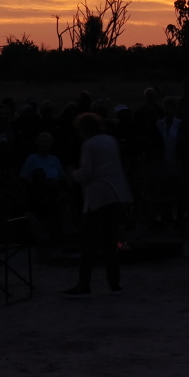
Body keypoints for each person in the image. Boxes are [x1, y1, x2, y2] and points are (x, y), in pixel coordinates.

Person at [66, 111, 132, 296]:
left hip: (97, 197)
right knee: (110, 241)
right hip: (115, 194)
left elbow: (87, 172)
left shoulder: (89, 144)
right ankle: (114, 283)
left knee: (87, 242)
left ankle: (83, 285)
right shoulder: (110, 140)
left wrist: (71, 174)